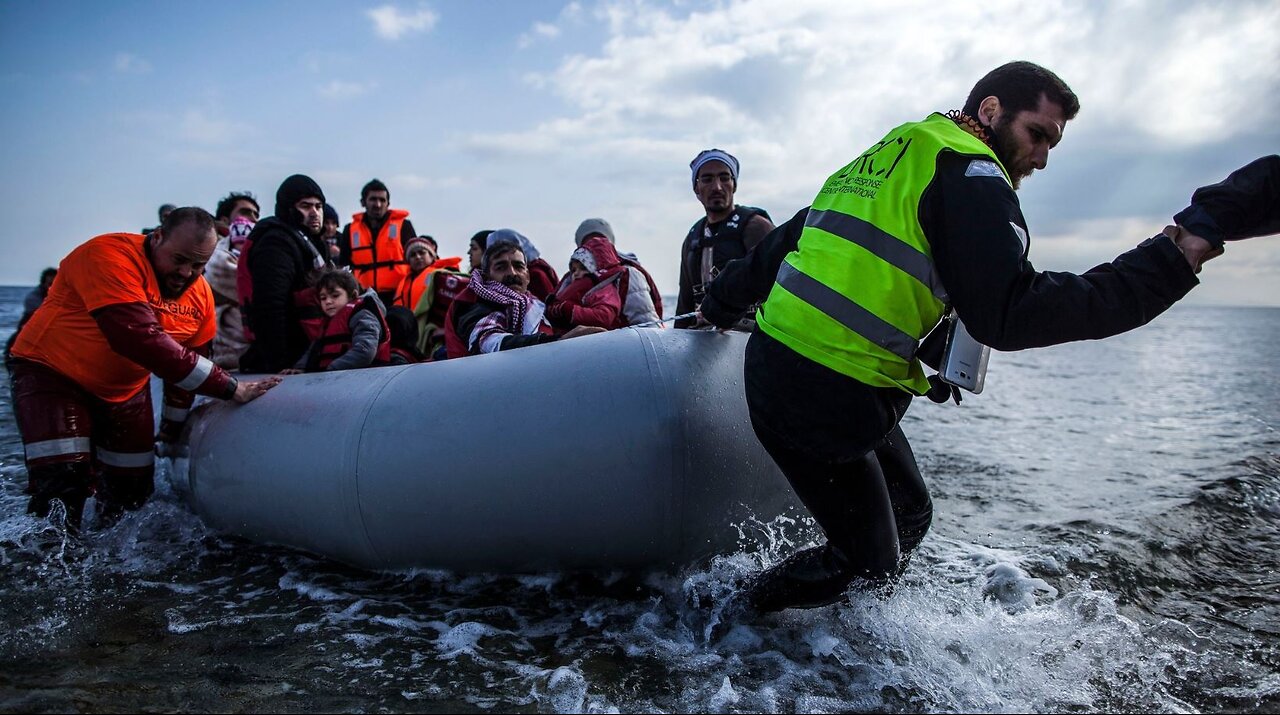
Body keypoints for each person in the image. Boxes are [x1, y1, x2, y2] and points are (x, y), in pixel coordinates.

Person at [697, 61, 1236, 616]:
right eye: (1037, 135)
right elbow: (1009, 314)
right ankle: (737, 619)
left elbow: (796, 234)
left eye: (1052, 144)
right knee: (866, 565)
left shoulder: (902, 146)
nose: (1043, 157)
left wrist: (718, 303)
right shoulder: (974, 175)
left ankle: (848, 613)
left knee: (911, 514)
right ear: (991, 111)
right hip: (818, 388)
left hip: (813, 373)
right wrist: (1167, 264)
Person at [8, 208, 279, 530]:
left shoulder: (201, 296)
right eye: (179, 260)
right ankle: (46, 565)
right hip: (53, 373)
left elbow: (188, 369)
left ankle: (112, 564)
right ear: (157, 237)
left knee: (133, 489)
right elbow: (136, 338)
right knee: (65, 482)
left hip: (124, 390)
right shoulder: (108, 255)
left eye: (197, 265)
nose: (185, 273)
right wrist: (231, 387)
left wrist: (172, 427)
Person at [444, 236, 602, 358]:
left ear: (527, 275)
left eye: (518, 266)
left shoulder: (538, 306)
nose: (512, 273)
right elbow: (488, 341)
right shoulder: (476, 303)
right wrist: (557, 343)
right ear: (487, 277)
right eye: (501, 267)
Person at [238, 174, 332, 374]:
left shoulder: (312, 244)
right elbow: (270, 305)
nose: (315, 213)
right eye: (306, 206)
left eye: (319, 206)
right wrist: (280, 364)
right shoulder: (276, 244)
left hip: (309, 347)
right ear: (289, 208)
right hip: (290, 356)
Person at [676, 149, 774, 328]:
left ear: (734, 184)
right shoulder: (692, 238)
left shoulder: (756, 227)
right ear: (696, 188)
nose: (717, 187)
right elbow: (684, 304)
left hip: (750, 337)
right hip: (703, 340)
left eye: (724, 178)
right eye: (707, 179)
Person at [285, 268, 390, 373]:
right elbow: (314, 350)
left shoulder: (362, 314)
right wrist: (300, 368)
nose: (328, 301)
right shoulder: (328, 322)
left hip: (363, 378)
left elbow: (365, 350)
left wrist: (333, 369)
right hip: (333, 377)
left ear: (352, 295)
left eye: (335, 296)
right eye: (323, 298)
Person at [572, 218, 662, 325]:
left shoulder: (629, 274)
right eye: (590, 241)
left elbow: (648, 325)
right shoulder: (573, 277)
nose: (596, 244)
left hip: (621, 339)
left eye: (601, 240)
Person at [339, 179, 417, 302]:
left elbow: (417, 257)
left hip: (398, 295)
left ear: (388, 203)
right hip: (364, 296)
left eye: (382, 200)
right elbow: (343, 265)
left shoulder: (404, 226)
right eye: (373, 199)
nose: (378, 204)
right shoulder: (349, 230)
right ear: (363, 202)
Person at [545, 236, 626, 332]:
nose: (576, 273)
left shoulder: (605, 290)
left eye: (583, 268)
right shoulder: (571, 287)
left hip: (598, 339)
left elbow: (604, 317)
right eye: (574, 270)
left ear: (596, 270)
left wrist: (571, 311)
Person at [206, 216, 254, 369]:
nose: (253, 218)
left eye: (255, 214)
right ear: (225, 219)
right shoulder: (214, 259)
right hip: (223, 350)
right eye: (246, 212)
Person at [4, 267, 57, 360]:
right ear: (43, 283)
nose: (51, 287)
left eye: (54, 284)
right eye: (49, 284)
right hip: (31, 326)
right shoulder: (34, 297)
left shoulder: (59, 296)